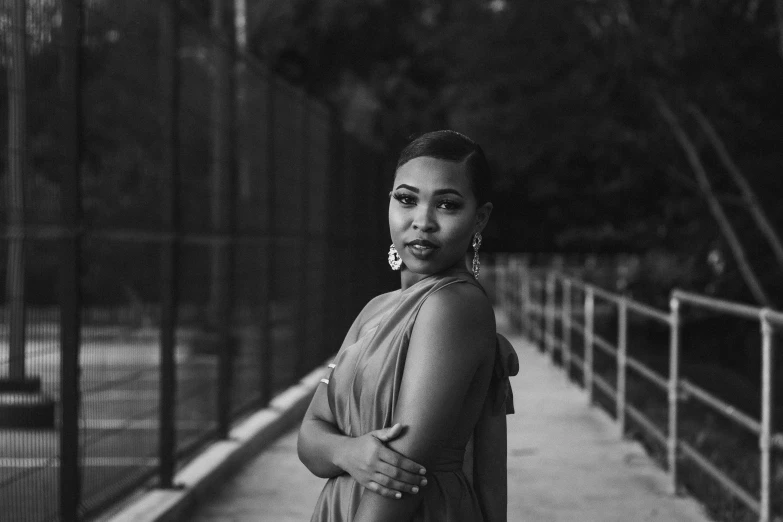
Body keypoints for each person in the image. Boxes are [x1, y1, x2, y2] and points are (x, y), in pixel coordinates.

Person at [297, 130, 518, 522]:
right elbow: (309, 437)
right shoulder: (374, 310)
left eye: (447, 205)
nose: (422, 222)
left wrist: (345, 452)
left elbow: (401, 479)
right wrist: (349, 452)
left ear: (478, 218)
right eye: (406, 199)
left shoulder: (455, 305)